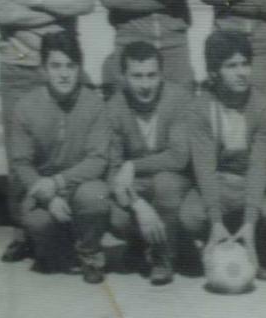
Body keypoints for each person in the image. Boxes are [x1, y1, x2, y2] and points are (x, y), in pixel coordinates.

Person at [0, 0, 96, 263]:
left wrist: (34, 0)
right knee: (23, 151)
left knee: (67, 146)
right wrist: (56, 11)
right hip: (19, 66)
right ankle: (26, 231)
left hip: (62, 69)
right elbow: (1, 10)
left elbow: (85, 2)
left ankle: (73, 225)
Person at [80, 41, 193, 285]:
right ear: (123, 77)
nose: (145, 84)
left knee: (166, 184)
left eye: (152, 75)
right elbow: (112, 170)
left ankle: (164, 256)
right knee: (114, 213)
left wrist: (133, 166)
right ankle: (141, 243)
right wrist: (139, 205)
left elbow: (178, 157)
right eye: (137, 76)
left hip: (175, 182)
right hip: (136, 189)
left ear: (161, 74)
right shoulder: (114, 109)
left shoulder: (179, 99)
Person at [178, 31, 266, 281]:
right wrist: (215, 220)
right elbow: (204, 169)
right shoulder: (200, 109)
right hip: (217, 181)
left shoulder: (264, 107)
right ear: (214, 72)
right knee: (190, 216)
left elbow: (259, 167)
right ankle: (213, 243)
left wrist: (250, 221)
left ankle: (256, 245)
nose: (242, 72)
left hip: (249, 182)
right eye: (231, 66)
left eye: (245, 64)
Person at [10, 32, 110, 283]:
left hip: (79, 186)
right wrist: (48, 195)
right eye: (55, 66)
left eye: (70, 66)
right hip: (43, 193)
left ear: (79, 68)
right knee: (39, 228)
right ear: (43, 69)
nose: (64, 74)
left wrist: (59, 182)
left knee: (96, 196)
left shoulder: (94, 104)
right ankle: (53, 244)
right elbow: (21, 162)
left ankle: (90, 255)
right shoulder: (26, 106)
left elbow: (98, 159)